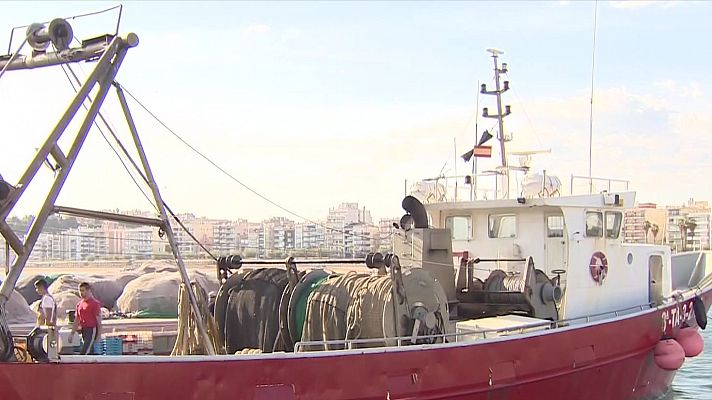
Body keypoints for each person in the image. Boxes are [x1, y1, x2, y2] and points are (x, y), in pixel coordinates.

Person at [69, 282, 102, 355]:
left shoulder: (94, 303)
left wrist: (99, 335)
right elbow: (77, 319)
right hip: (84, 330)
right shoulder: (79, 304)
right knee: (90, 351)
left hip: (92, 329)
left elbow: (99, 320)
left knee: (85, 351)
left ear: (89, 290)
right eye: (80, 290)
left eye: (83, 290)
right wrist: (72, 333)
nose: (81, 293)